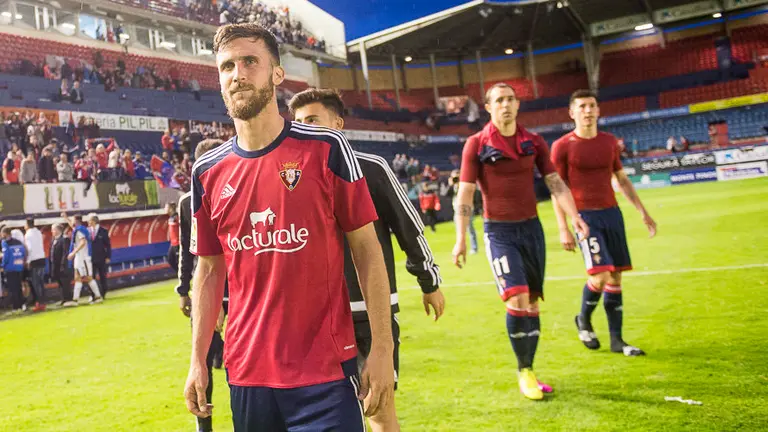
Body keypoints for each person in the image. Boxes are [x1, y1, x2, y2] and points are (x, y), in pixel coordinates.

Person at [184, 23, 394, 431]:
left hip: (327, 372)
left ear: (277, 74)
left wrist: (382, 348)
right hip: (246, 374)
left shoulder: (328, 149)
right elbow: (208, 271)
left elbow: (367, 251)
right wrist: (197, 360)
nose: (238, 74)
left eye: (250, 62)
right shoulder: (207, 171)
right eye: (227, 66)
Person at [289, 87, 445, 432]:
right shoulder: (290, 178)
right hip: (314, 321)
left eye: (313, 120)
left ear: (338, 124)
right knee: (323, 417)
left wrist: (429, 282)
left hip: (367, 318)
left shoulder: (370, 168)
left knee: (379, 411)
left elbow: (409, 229)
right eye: (298, 122)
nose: (305, 128)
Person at [452, 83, 589, 401]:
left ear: (518, 104)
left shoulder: (534, 141)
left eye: (511, 99)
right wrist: (461, 238)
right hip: (499, 233)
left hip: (532, 231)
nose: (506, 105)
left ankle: (530, 368)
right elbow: (466, 193)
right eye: (499, 100)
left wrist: (575, 217)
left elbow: (556, 183)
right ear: (488, 107)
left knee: (532, 303)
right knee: (517, 298)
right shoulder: (476, 144)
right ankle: (524, 371)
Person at [551, 90, 657, 357]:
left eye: (592, 106)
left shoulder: (609, 142)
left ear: (599, 111)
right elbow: (557, 188)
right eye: (582, 106)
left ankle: (618, 341)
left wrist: (643, 212)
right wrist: (563, 227)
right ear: (572, 113)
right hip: (584, 217)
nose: (588, 111)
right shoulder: (563, 145)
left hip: (612, 214)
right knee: (600, 274)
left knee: (616, 275)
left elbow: (621, 180)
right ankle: (583, 319)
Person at [176, 138, 228, 432]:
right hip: (206, 288)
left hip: (239, 291)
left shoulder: (240, 188)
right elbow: (187, 250)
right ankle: (203, 424)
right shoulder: (187, 202)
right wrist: (183, 290)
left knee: (239, 360)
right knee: (202, 360)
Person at [66, 214, 103, 304]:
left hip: (83, 258)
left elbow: (83, 242)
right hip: (80, 258)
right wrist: (65, 217)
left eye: (72, 220)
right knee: (77, 278)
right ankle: (75, 299)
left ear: (76, 221)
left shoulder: (80, 231)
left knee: (88, 278)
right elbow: (72, 225)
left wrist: (73, 253)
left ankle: (98, 297)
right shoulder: (80, 229)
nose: (71, 222)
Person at [446, 169, 478, 254]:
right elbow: (446, 195)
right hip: (456, 210)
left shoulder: (463, 184)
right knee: (459, 229)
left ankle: (474, 247)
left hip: (467, 209)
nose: (456, 178)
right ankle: (460, 246)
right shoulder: (453, 186)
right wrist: (451, 185)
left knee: (470, 228)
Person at [1, 227, 26, 314]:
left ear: (5, 234)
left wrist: (2, 266)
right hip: (19, 267)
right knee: (19, 287)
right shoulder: (18, 242)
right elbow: (23, 253)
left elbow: (6, 256)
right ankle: (22, 304)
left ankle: (16, 306)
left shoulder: (5, 243)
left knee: (13, 288)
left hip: (10, 268)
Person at [24, 219, 47, 312]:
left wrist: (28, 261)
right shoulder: (38, 232)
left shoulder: (28, 234)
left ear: (27, 225)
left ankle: (39, 303)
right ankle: (43, 301)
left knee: (36, 283)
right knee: (41, 282)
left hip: (34, 260)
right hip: (42, 258)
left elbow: (29, 249)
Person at [50, 223, 76, 306]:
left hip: (63, 266)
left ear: (57, 230)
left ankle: (68, 298)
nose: (52, 231)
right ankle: (63, 298)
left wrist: (63, 265)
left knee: (65, 283)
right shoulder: (53, 240)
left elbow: (65, 253)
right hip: (55, 266)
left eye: (53, 229)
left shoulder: (64, 239)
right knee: (60, 283)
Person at [88, 214, 111, 299]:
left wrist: (108, 257)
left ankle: (103, 293)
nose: (88, 222)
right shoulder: (87, 231)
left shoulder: (103, 231)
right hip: (90, 258)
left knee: (102, 276)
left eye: (89, 220)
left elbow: (108, 245)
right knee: (91, 277)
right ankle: (93, 295)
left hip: (102, 258)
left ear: (94, 221)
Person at [166, 202, 180, 274]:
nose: (165, 209)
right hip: (173, 243)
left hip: (178, 243)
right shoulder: (170, 218)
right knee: (170, 259)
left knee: (179, 261)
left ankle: (184, 277)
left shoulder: (177, 217)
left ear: (171, 208)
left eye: (167, 207)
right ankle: (180, 273)